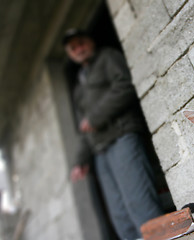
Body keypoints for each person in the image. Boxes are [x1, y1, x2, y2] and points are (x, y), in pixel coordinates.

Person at [63, 28, 164, 240]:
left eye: (81, 42)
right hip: (100, 151)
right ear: (69, 54)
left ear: (90, 41)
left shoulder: (108, 57)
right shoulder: (78, 88)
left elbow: (125, 85)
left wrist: (95, 117)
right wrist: (80, 160)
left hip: (121, 136)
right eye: (73, 48)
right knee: (120, 215)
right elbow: (83, 127)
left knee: (139, 202)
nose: (79, 49)